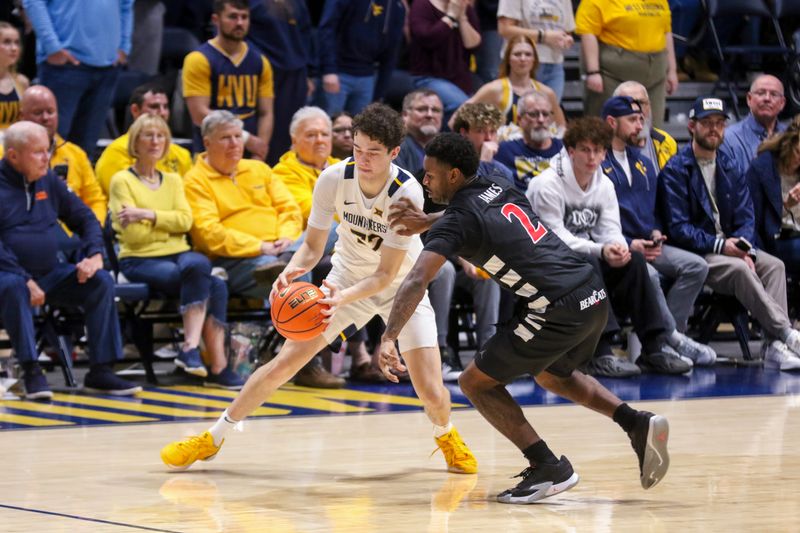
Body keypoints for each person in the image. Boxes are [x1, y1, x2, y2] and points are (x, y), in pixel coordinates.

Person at [160, 104, 478, 476]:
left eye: (373, 153)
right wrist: (293, 270)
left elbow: (385, 274)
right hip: (344, 277)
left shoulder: (405, 192)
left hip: (398, 288)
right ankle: (212, 438)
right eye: (357, 149)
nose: (362, 159)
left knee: (431, 391)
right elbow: (313, 247)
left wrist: (338, 298)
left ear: (393, 152)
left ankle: (446, 434)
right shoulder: (332, 178)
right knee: (283, 363)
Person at [380, 132, 670, 503]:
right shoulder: (495, 182)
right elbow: (469, 212)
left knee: (474, 382)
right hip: (592, 292)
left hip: (556, 307)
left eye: (431, 175)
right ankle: (636, 423)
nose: (425, 180)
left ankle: (548, 467)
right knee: (551, 372)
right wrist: (426, 221)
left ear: (453, 176)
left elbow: (418, 278)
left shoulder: (457, 220)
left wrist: (390, 336)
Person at [183, 111, 341, 388]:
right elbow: (209, 234)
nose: (234, 144)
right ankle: (306, 363)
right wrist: (260, 246)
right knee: (298, 274)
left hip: (279, 252)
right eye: (225, 138)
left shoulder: (258, 169)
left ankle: (289, 258)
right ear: (207, 142)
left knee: (334, 230)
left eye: (237, 137)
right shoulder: (195, 180)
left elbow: (289, 210)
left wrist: (285, 239)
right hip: (239, 261)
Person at [528, 117, 692, 376]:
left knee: (634, 260)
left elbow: (609, 229)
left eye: (598, 150)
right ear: (571, 151)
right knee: (589, 262)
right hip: (543, 265)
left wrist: (617, 248)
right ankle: (600, 352)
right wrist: (601, 251)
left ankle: (654, 348)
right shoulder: (546, 184)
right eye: (585, 149)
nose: (592, 157)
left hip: (585, 262)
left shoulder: (603, 184)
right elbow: (555, 237)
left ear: (605, 153)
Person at [0, 121, 142, 399]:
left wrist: (94, 254)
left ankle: (101, 371)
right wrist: (25, 278)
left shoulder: (48, 180)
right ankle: (30, 371)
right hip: (7, 275)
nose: (46, 158)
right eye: (38, 152)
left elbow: (85, 217)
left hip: (48, 274)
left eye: (47, 150)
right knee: (14, 286)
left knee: (99, 281)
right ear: (13, 156)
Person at [658, 96, 800, 371]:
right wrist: (724, 246)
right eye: (707, 123)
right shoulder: (675, 170)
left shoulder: (730, 164)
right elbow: (678, 229)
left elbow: (747, 215)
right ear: (691, 126)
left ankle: (773, 348)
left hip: (732, 249)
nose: (714, 129)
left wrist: (744, 247)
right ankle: (786, 333)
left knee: (774, 266)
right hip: (698, 252)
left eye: (720, 124)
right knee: (740, 270)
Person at [108, 114, 245, 389]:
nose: (155, 141)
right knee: (209, 280)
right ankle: (205, 360)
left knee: (204, 272)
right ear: (135, 141)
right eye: (149, 135)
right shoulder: (122, 181)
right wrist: (166, 221)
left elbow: (185, 221)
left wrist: (146, 214)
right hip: (138, 258)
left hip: (177, 254)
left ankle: (200, 355)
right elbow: (134, 236)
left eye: (160, 136)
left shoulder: (172, 180)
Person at [600, 95, 714, 365]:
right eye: (632, 120)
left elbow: (653, 212)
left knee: (696, 266)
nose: (640, 125)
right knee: (648, 274)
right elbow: (598, 223)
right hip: (619, 248)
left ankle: (674, 337)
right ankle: (668, 339)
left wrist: (654, 233)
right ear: (611, 122)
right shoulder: (597, 161)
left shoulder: (643, 162)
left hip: (648, 245)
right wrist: (630, 244)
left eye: (641, 119)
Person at [23, 0, 133, 154]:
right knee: (49, 146)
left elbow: (126, 5)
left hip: (107, 67)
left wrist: (124, 46)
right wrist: (52, 46)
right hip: (63, 66)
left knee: (84, 150)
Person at [182, 0, 273, 160]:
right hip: (210, 152)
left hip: (248, 154)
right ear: (216, 19)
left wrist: (259, 153)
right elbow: (199, 114)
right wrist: (245, 138)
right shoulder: (198, 59)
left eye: (244, 17)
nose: (239, 23)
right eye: (233, 17)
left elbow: (266, 113)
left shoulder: (260, 61)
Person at [575, 0, 678, 128]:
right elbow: (588, 32)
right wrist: (593, 71)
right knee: (607, 128)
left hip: (655, 77)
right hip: (612, 75)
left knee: (653, 130)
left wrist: (672, 69)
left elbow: (666, 32)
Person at [16, 85, 106, 226]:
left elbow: (96, 200)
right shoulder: (7, 155)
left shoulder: (75, 154)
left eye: (50, 112)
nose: (45, 118)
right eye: (38, 112)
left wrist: (92, 229)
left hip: (75, 237)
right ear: (22, 116)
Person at [245, 0, 314, 166]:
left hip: (295, 73)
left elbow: (306, 35)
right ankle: (256, 171)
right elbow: (240, 32)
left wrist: (309, 72)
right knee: (264, 128)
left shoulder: (299, 4)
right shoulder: (251, 3)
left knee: (289, 132)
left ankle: (281, 175)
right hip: (264, 70)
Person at [452, 35, 565, 134]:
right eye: (517, 54)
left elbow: (562, 129)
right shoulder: (493, 90)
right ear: (508, 59)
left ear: (534, 59)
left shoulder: (546, 93)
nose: (523, 58)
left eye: (528, 54)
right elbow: (455, 121)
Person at [95, 82, 193, 196]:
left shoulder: (181, 154)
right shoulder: (117, 151)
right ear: (135, 110)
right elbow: (124, 196)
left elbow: (192, 195)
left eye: (165, 107)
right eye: (154, 107)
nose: (162, 113)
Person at [317, 0, 405, 116]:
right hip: (337, 72)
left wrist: (379, 94)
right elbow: (327, 30)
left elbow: (391, 53)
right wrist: (329, 70)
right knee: (327, 126)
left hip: (367, 78)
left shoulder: (398, 7)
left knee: (359, 131)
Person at [408, 0, 481, 122]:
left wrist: (462, 18)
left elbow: (473, 45)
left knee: (480, 110)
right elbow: (427, 38)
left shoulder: (464, 8)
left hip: (460, 79)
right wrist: (450, 17)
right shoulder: (421, 5)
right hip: (428, 77)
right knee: (463, 108)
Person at [748, 116, 800, 274]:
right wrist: (786, 205)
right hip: (775, 240)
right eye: (798, 152)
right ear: (788, 144)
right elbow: (755, 221)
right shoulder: (762, 168)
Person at [497, 0, 575, 101]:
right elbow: (505, 29)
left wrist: (566, 39)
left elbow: (567, 30)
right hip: (522, 63)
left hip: (554, 64)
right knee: (520, 112)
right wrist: (543, 36)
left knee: (551, 114)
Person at [494, 91, 565, 192]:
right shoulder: (504, 151)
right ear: (519, 119)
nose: (541, 120)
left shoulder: (564, 149)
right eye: (533, 114)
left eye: (545, 114)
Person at [721, 75, 787, 179]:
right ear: (749, 99)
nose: (767, 98)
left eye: (774, 94)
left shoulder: (791, 136)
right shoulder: (728, 138)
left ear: (782, 103)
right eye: (761, 93)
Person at [613, 80, 678, 171]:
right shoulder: (603, 147)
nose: (637, 109)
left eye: (641, 103)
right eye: (629, 104)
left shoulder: (666, 141)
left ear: (649, 106)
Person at [452, 102, 513, 184]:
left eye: (493, 131)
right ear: (464, 133)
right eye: (480, 131)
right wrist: (484, 163)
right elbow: (470, 195)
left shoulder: (504, 172)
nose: (488, 138)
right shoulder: (452, 166)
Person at [395, 90, 444, 175]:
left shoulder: (447, 148)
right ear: (405, 115)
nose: (430, 115)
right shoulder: (396, 146)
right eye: (422, 109)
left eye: (435, 110)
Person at [0, 22, 29, 134]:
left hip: (16, 145)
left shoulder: (22, 82)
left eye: (17, 43)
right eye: (7, 42)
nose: (14, 48)